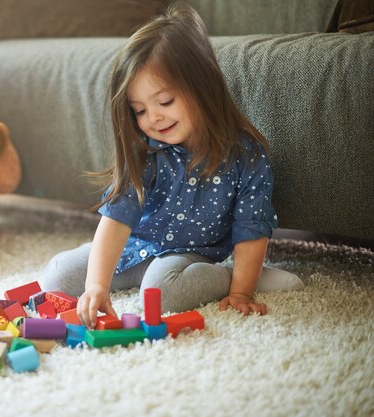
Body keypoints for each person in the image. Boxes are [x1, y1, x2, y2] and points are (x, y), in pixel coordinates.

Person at [40, 3, 304, 329]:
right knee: (57, 276)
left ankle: (237, 277)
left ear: (203, 86)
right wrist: (96, 285)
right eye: (139, 110)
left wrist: (241, 290)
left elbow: (251, 229)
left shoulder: (246, 156)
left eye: (165, 102)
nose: (153, 118)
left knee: (162, 293)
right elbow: (116, 221)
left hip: (190, 256)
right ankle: (130, 274)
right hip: (139, 247)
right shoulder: (147, 151)